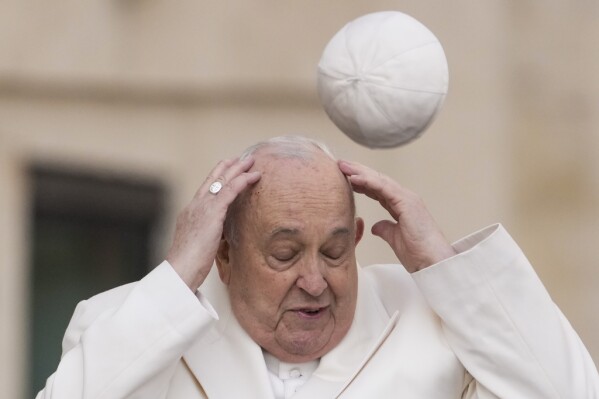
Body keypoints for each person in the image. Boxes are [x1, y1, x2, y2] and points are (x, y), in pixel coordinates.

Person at [37, 136, 598, 398]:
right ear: (224, 256)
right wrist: (178, 276)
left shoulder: (440, 325)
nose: (315, 281)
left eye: (335, 251)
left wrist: (444, 265)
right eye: (284, 254)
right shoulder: (131, 328)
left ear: (358, 240)